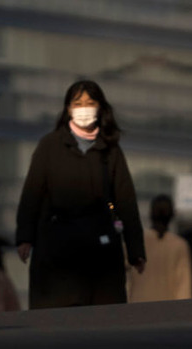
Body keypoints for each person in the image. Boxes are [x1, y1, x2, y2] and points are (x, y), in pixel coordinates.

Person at [15, 80, 145, 309]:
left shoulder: (110, 149)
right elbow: (32, 194)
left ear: (100, 107)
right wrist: (25, 237)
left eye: (90, 102)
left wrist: (136, 251)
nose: (84, 108)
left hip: (101, 248)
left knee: (101, 320)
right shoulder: (50, 145)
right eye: (78, 103)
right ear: (68, 109)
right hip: (57, 248)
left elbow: (125, 201)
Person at [128, 195, 192, 303]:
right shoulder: (179, 245)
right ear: (172, 215)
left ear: (151, 214)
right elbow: (184, 287)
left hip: (137, 306)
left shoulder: (136, 241)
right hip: (167, 311)